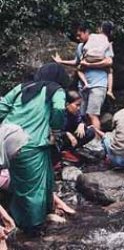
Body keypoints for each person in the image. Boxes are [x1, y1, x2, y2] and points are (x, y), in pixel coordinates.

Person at [0, 63, 73, 234]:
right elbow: (59, 109)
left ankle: (45, 212)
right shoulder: (56, 90)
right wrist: (56, 131)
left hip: (8, 140)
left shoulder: (21, 88)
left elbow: (2, 107)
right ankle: (33, 227)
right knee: (32, 188)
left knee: (35, 180)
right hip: (32, 144)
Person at [54, 22, 113, 133]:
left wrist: (90, 65)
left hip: (98, 84)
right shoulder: (80, 47)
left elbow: (109, 62)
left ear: (87, 32)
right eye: (76, 36)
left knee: (92, 114)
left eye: (79, 35)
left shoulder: (102, 44)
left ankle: (96, 142)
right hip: (84, 85)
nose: (78, 38)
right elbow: (77, 62)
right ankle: (87, 139)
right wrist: (61, 61)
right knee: (83, 114)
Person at [76, 21, 116, 100]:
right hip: (100, 58)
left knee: (79, 69)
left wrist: (86, 61)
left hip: (88, 57)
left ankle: (86, 83)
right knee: (110, 71)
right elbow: (109, 61)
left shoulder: (93, 36)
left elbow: (86, 47)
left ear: (100, 29)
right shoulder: (107, 41)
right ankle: (110, 90)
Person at [54, 91, 96, 163]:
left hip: (72, 136)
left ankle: (72, 150)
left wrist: (81, 124)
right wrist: (66, 133)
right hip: (61, 139)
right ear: (67, 104)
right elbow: (53, 131)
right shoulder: (58, 113)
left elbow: (81, 120)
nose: (79, 108)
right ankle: (63, 152)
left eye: (80, 105)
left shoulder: (75, 112)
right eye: (77, 105)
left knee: (91, 132)